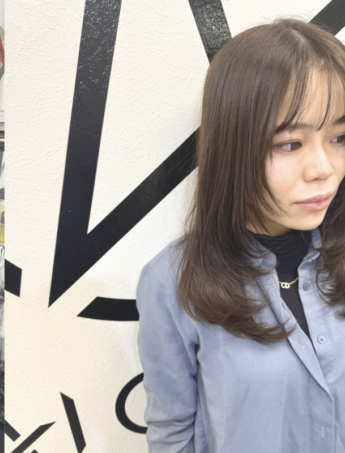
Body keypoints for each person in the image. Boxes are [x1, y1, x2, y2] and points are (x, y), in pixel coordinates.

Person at [137, 19, 345, 452]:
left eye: (340, 137)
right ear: (234, 144)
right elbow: (172, 434)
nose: (324, 168)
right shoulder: (172, 282)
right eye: (290, 144)